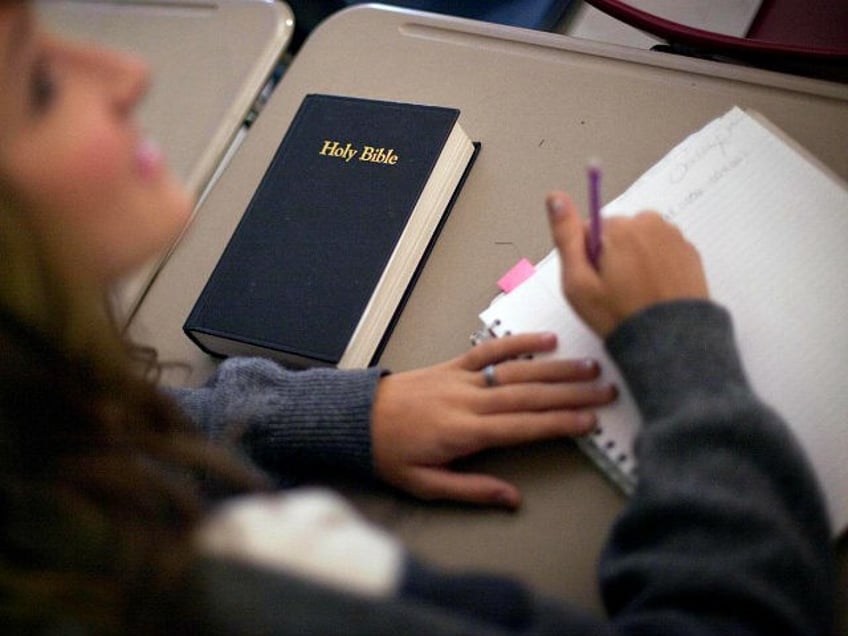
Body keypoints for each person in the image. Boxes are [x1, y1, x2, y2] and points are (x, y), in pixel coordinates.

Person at [0, 3, 835, 634]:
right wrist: (681, 344)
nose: (127, 74)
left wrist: (333, 414)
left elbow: (78, 447)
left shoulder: (39, 456)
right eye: (38, 85)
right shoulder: (224, 596)